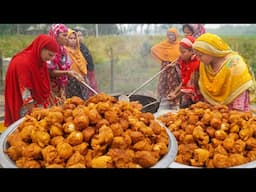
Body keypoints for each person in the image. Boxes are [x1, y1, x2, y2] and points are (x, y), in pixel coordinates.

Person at [4, 34, 59, 127]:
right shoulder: (23, 62)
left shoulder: (40, 61)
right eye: (50, 55)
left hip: (35, 104)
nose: (50, 59)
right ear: (41, 48)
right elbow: (25, 93)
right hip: (23, 104)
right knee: (25, 131)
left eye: (53, 56)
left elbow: (43, 83)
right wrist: (35, 114)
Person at [192, 33, 254, 112]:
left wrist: (236, 111)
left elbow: (239, 88)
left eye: (200, 55)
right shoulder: (205, 65)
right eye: (196, 55)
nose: (198, 58)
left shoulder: (234, 63)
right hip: (215, 113)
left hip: (234, 106)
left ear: (211, 51)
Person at [48, 24, 83, 106]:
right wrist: (67, 73)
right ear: (55, 35)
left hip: (61, 87)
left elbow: (67, 66)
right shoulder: (49, 50)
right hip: (51, 88)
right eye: (64, 35)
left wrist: (75, 74)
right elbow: (50, 72)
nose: (66, 38)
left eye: (67, 35)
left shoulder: (63, 50)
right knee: (54, 113)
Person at [167, 36, 202, 108]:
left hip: (199, 98)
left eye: (183, 52)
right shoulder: (185, 62)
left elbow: (189, 86)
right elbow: (184, 80)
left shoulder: (196, 64)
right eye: (180, 52)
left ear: (192, 51)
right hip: (190, 97)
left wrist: (176, 96)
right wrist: (174, 92)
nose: (180, 54)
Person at [151, 27, 181, 107]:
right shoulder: (164, 44)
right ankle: (160, 102)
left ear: (176, 35)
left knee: (173, 84)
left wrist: (175, 63)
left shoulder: (179, 45)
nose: (171, 37)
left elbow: (181, 57)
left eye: (172, 35)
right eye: (169, 35)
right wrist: (164, 59)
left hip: (174, 68)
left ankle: (172, 102)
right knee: (163, 83)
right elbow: (154, 49)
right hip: (165, 66)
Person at [73, 28, 99, 97]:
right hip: (83, 73)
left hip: (90, 71)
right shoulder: (76, 48)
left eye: (81, 35)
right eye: (78, 36)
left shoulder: (83, 46)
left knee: (93, 88)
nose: (80, 38)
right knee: (87, 90)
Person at [65, 28, 88, 100]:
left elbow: (83, 64)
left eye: (74, 38)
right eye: (70, 38)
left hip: (82, 77)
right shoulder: (65, 51)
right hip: (72, 79)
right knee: (75, 100)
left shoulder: (78, 51)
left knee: (84, 98)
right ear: (66, 39)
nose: (73, 40)